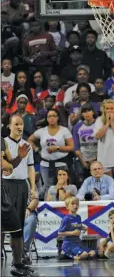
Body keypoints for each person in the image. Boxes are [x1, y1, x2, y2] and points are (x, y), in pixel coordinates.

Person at [1, 117, 38, 277]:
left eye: (21, 124)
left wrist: (32, 187)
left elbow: (26, 167)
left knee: (18, 227)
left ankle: (18, 263)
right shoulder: (4, 142)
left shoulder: (26, 145)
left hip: (22, 185)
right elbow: (7, 166)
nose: (19, 127)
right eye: (16, 124)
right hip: (6, 186)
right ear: (9, 126)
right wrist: (10, 164)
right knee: (7, 227)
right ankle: (16, 263)